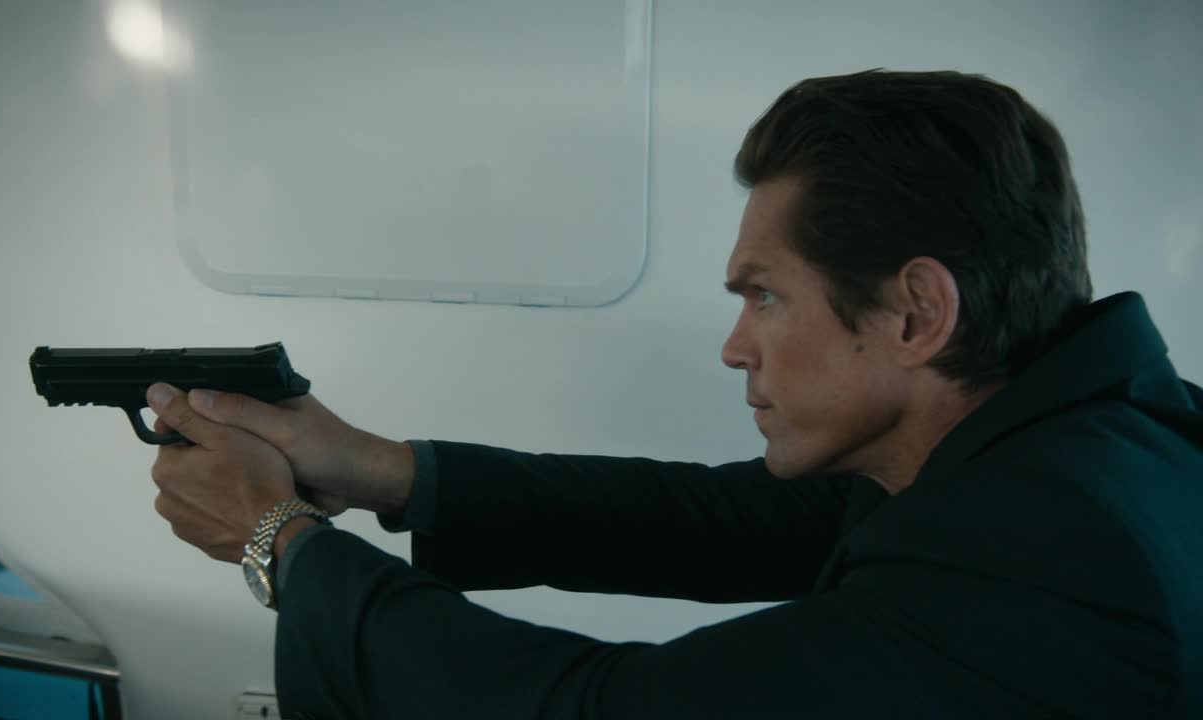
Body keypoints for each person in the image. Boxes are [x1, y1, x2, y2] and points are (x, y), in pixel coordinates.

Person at [144, 69, 1203, 718]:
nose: (735, 348)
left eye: (764, 295)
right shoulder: (1081, 435)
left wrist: (278, 539)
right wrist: (387, 471)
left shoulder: (1045, 570)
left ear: (916, 312)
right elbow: (719, 518)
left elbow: (599, 711)